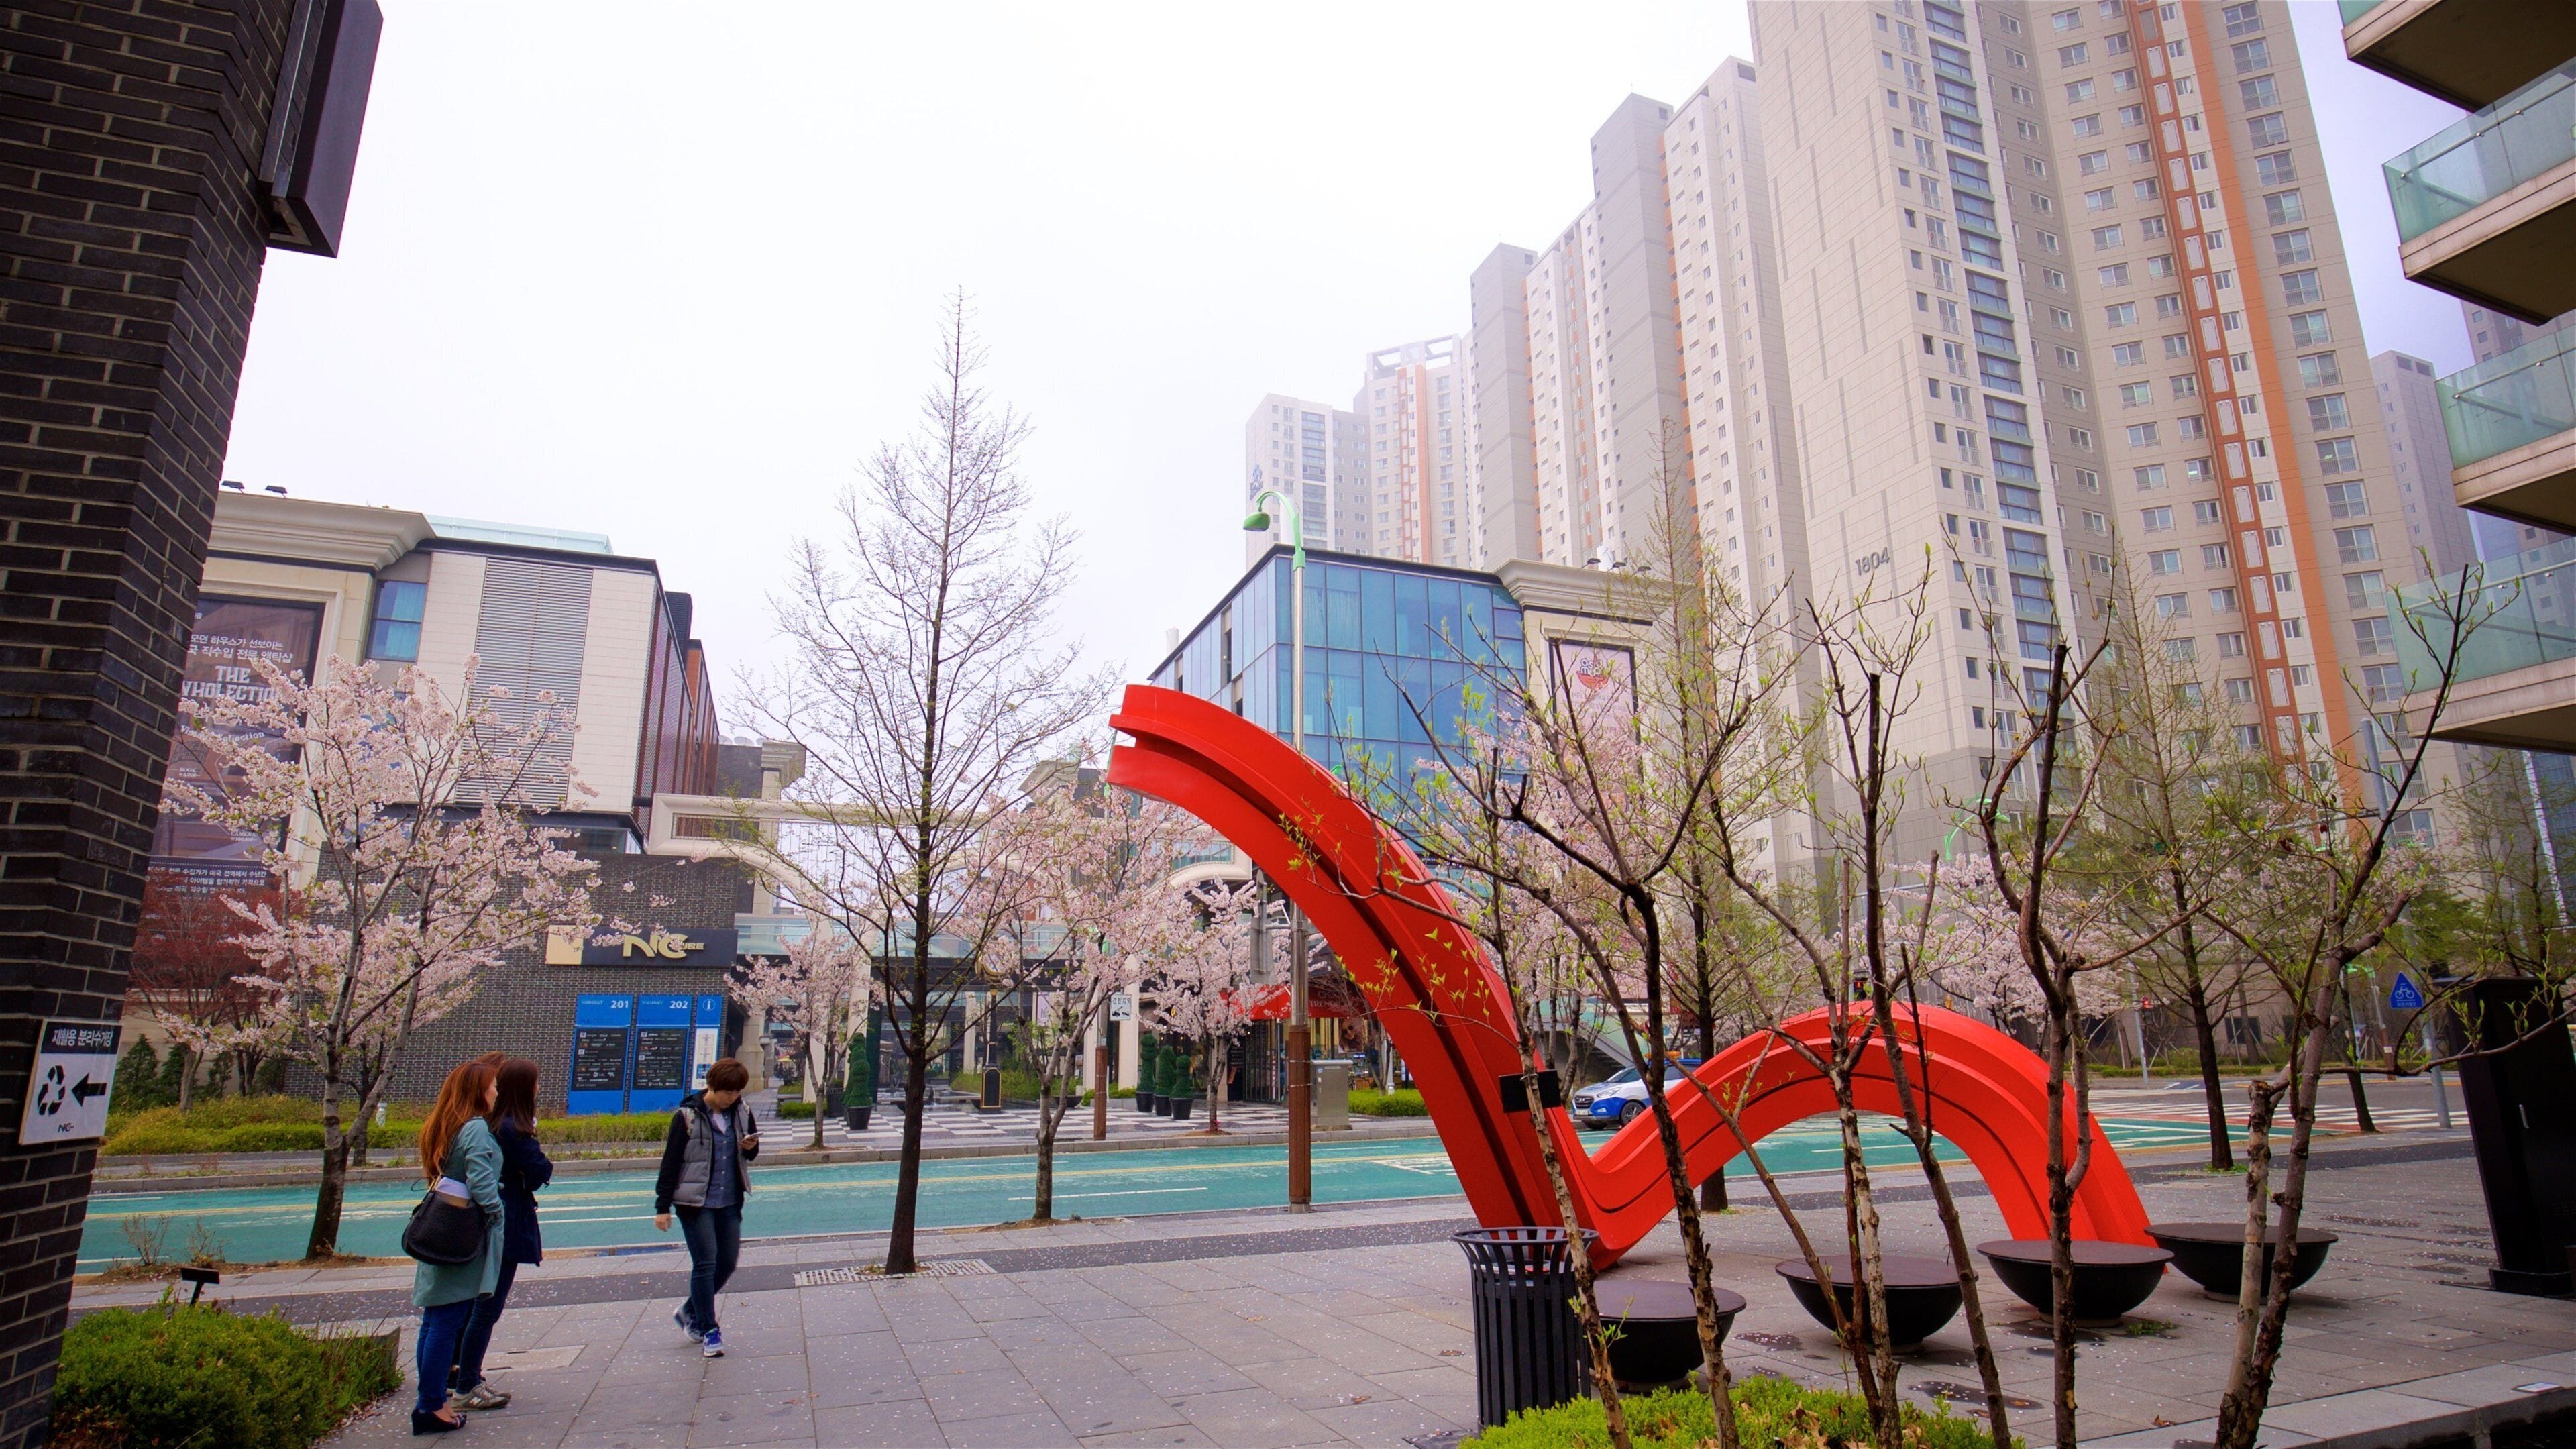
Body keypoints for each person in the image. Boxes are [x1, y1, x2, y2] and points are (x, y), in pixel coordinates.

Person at [447, 1057, 552, 1413]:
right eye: (537, 1082)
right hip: (504, 1224)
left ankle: (457, 1375)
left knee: (472, 1304)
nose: (540, 1088)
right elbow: (540, 1170)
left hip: (481, 1224)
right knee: (487, 1308)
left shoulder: (487, 1124)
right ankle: (467, 1384)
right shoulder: (514, 1129)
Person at [410, 1059, 504, 1436]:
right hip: (463, 1235)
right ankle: (431, 1406)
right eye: (493, 1085)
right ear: (478, 1092)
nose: (497, 1091)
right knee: (448, 1322)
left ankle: (430, 1401)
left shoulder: (444, 1125)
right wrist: (496, 1214)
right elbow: (481, 1183)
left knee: (434, 1322)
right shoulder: (477, 1128)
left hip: (438, 1229)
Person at [654, 1057, 759, 1357]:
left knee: (727, 1263)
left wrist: (750, 1148)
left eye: (737, 1092)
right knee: (705, 1263)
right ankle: (709, 1329)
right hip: (694, 1203)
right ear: (712, 1086)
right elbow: (670, 1163)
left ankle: (688, 1309)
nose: (732, 1098)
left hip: (728, 1200)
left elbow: (750, 1156)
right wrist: (662, 1206)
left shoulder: (742, 1112)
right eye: (728, 1092)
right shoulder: (687, 1116)